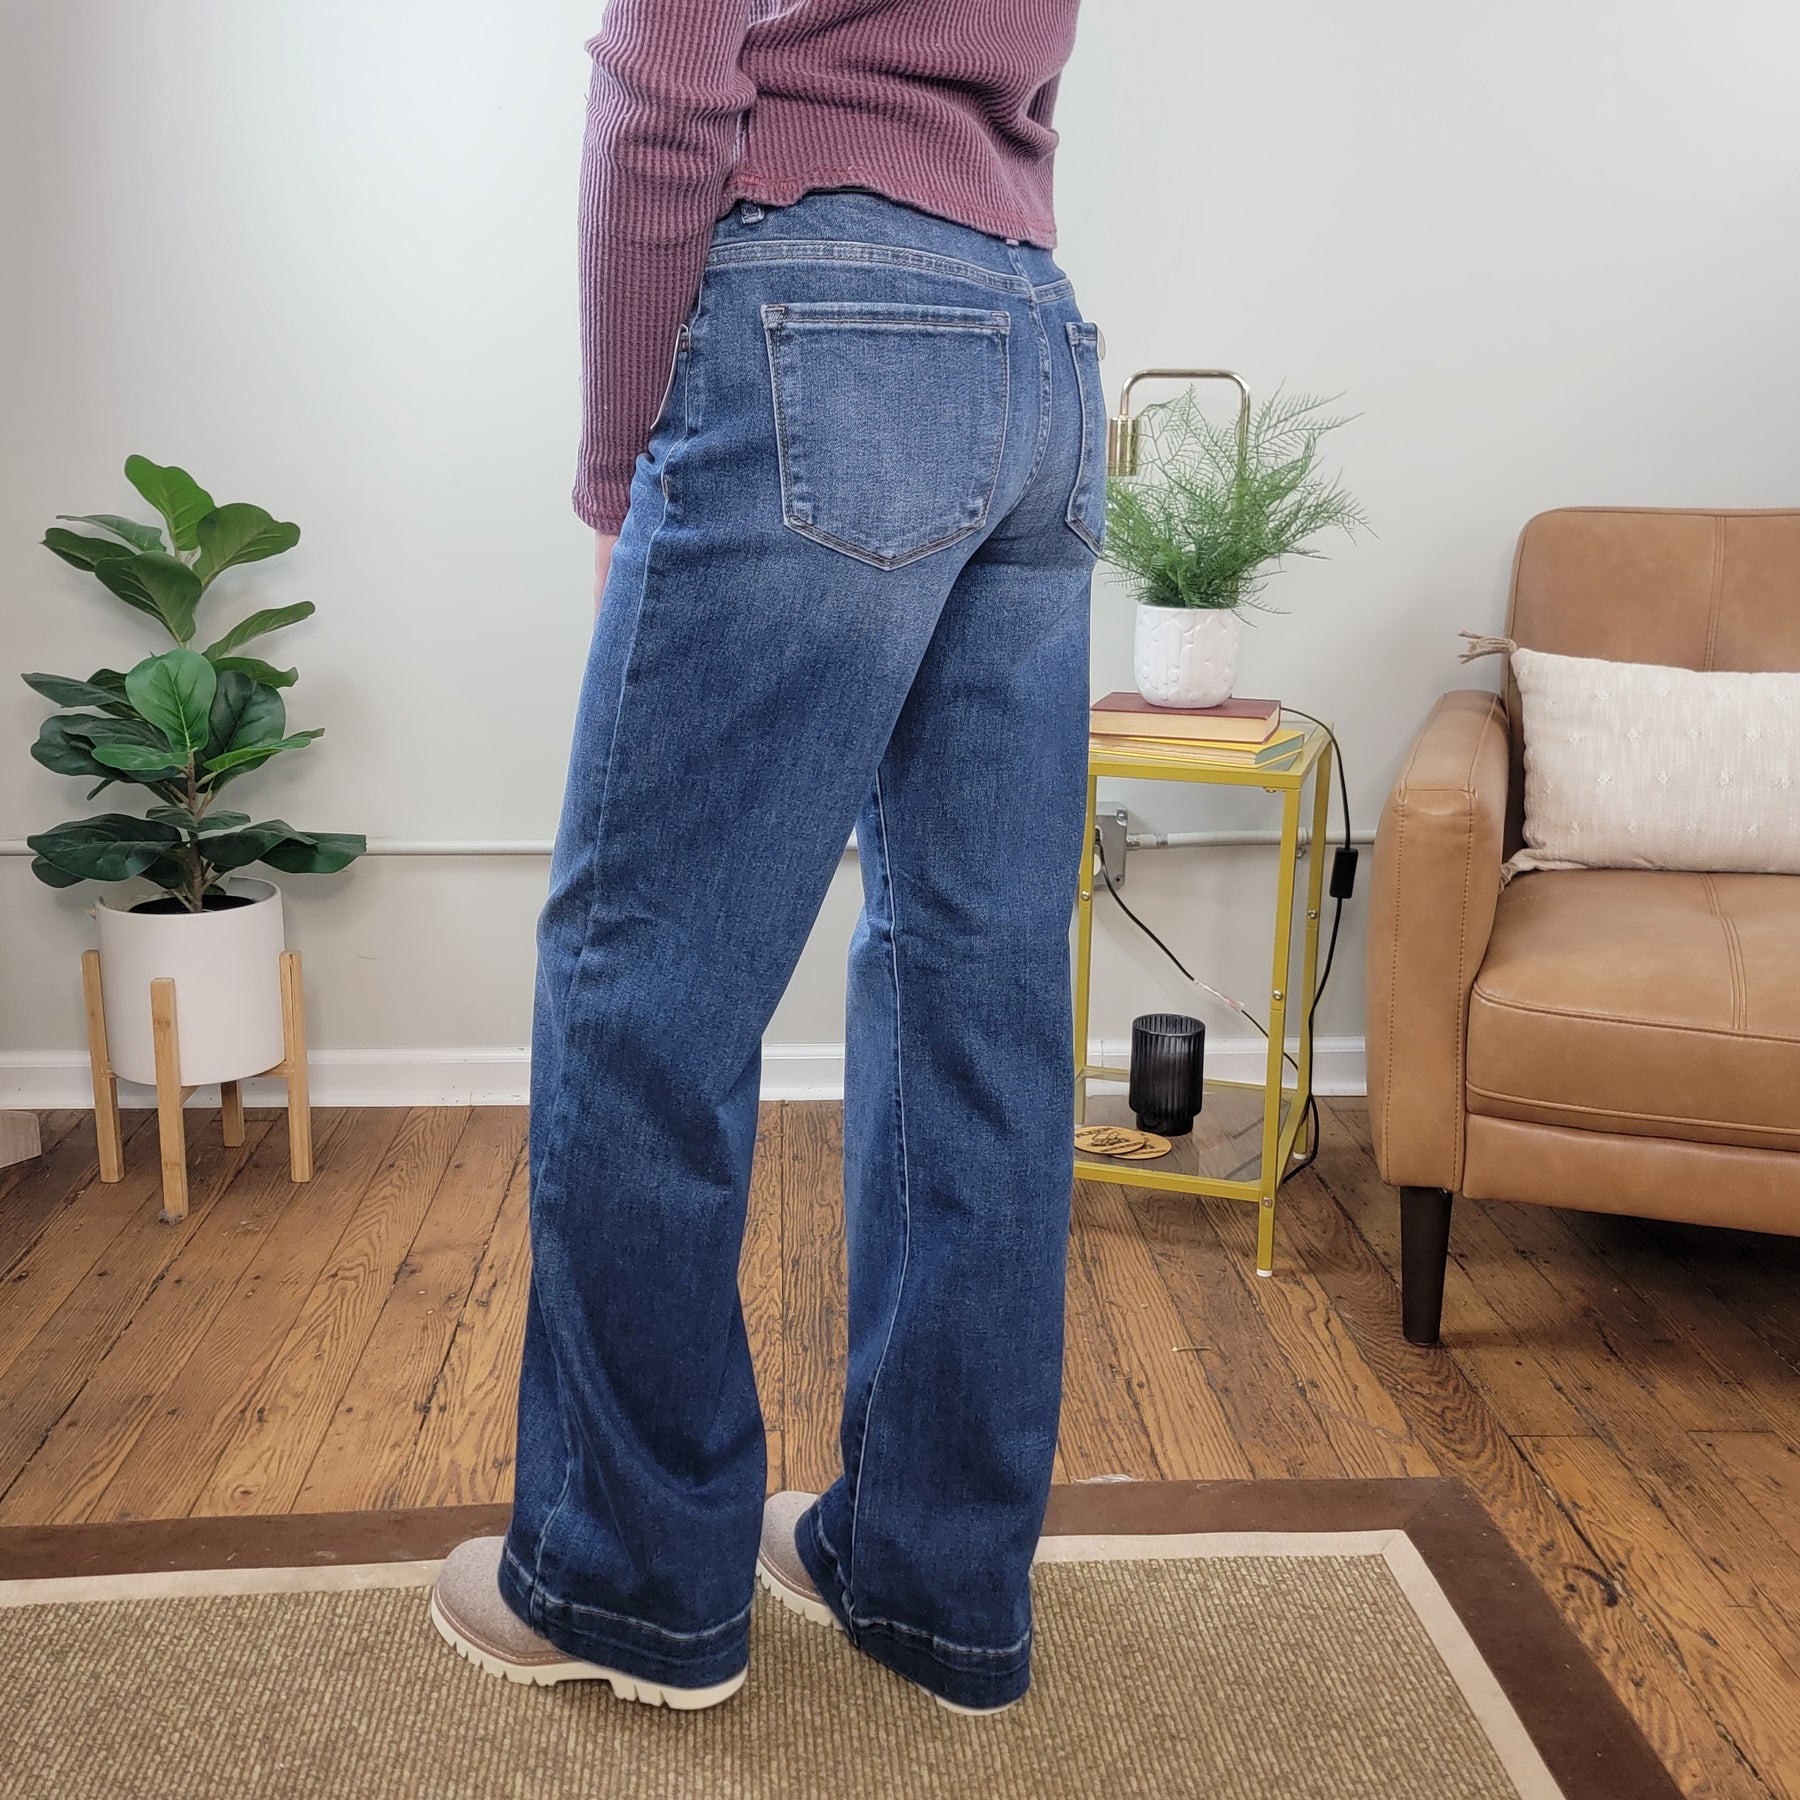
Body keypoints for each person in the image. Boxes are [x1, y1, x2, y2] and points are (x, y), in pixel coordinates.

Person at [430, 0, 1103, 1718]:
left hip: (819, 316)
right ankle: (935, 1583)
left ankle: (624, 1582)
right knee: (981, 1010)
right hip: (1032, 333)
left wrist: (615, 477)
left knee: (645, 989)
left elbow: (663, 79)